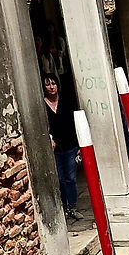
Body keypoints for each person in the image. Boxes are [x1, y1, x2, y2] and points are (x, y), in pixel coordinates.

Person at [43, 75, 78, 215]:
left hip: (70, 145)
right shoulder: (43, 105)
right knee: (60, 179)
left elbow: (74, 124)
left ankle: (73, 206)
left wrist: (79, 146)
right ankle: (63, 206)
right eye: (48, 84)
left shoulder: (67, 102)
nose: (51, 87)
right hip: (55, 148)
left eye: (53, 84)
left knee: (71, 178)